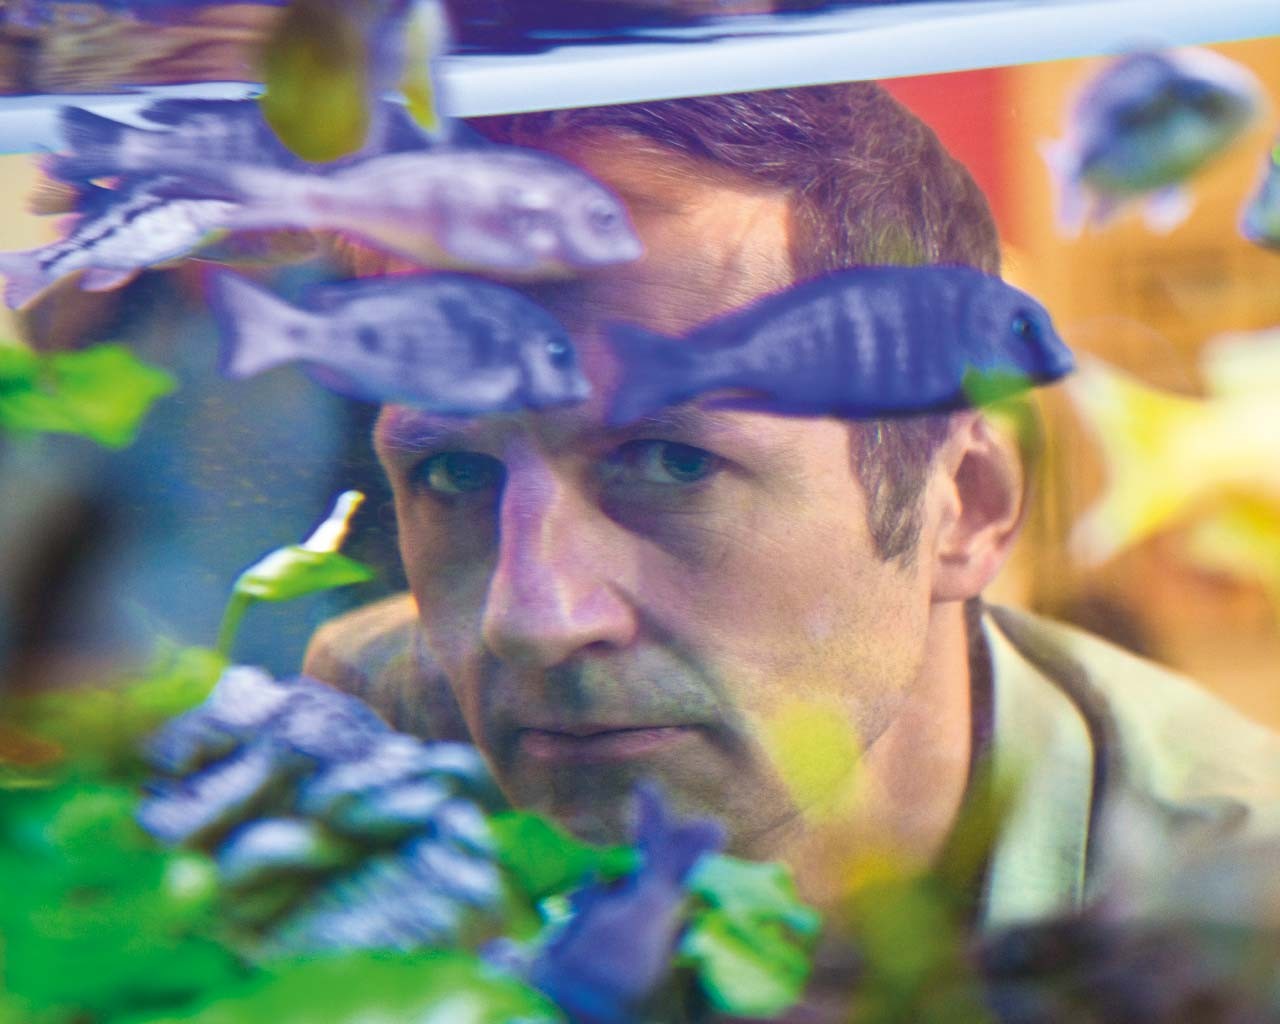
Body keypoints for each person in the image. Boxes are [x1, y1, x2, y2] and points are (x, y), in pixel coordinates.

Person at [302, 82, 1280, 929]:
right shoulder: (363, 727)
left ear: (963, 503)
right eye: (454, 475)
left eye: (671, 464)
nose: (531, 618)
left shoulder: (1234, 905)